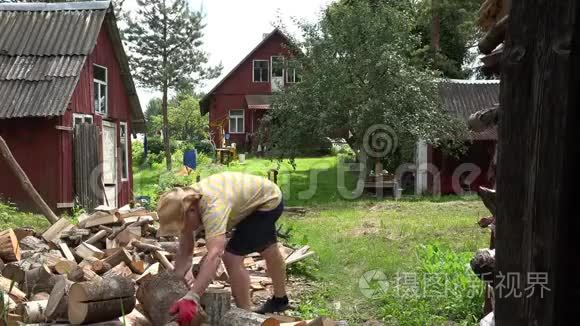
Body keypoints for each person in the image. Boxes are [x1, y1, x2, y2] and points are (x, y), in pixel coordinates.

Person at [157, 172, 289, 325]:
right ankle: (280, 300)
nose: (183, 229)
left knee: (231, 258)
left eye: (182, 224)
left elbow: (215, 255)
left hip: (267, 202)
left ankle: (244, 316)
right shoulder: (185, 201)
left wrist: (193, 296)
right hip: (254, 197)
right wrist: (178, 279)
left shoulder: (213, 208)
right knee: (268, 249)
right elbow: (185, 249)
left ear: (192, 211)